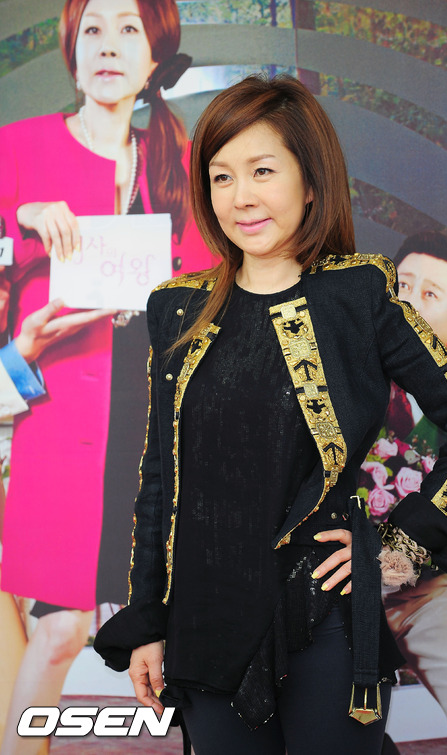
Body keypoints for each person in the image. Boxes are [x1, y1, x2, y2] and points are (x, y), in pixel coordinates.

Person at [94, 75, 447, 755]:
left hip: (326, 620)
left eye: (262, 171)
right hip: (205, 626)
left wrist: (400, 546)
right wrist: (147, 621)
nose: (240, 196)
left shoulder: (360, 295)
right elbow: (159, 481)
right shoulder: (176, 307)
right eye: (221, 176)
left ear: (310, 182)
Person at [0, 1, 212, 752]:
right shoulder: (17, 148)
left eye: (129, 30)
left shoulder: (179, 159)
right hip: (57, 425)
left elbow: (210, 290)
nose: (109, 46)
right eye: (92, 29)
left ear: (155, 58)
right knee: (60, 629)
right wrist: (21, 222)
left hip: (156, 429)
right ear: (72, 50)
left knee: (181, 636)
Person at [366, 231, 447, 755]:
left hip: (431, 591)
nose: (410, 304)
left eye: (431, 294)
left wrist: (394, 566)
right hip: (332, 587)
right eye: (402, 286)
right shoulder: (338, 380)